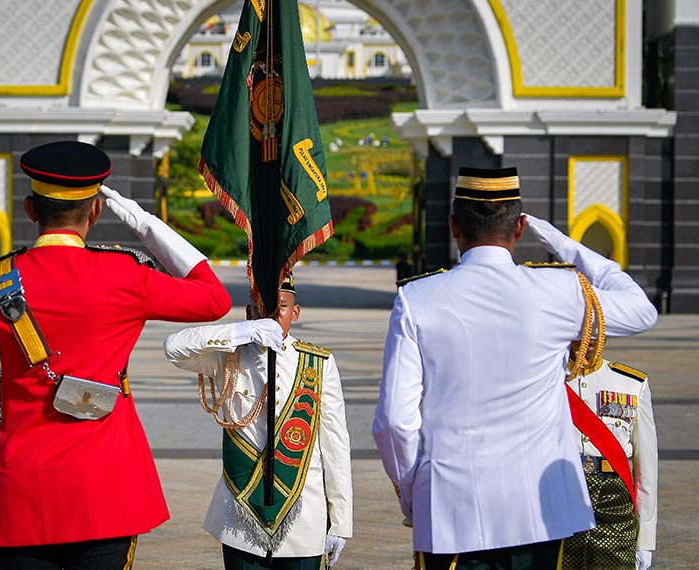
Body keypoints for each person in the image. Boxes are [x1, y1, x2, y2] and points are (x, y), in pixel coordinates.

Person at [0, 140, 231, 569]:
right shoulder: (125, 275)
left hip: (22, 488)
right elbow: (213, 298)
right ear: (95, 211)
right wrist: (148, 227)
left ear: (30, 209)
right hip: (108, 488)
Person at [372, 166, 658, 570]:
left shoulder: (417, 299)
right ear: (520, 227)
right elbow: (642, 310)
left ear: (454, 226)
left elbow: (394, 423)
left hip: (453, 512)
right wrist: (561, 242)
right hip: (542, 515)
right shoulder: (561, 291)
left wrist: (412, 491)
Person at [163, 273, 353, 569]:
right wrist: (242, 332)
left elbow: (336, 444)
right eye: (261, 310)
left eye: (282, 308)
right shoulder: (228, 356)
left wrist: (341, 520)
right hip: (242, 515)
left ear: (296, 312)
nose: (273, 317)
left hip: (303, 518)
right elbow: (174, 347)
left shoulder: (318, 363)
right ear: (249, 313)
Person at [563, 341, 658, 570]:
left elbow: (646, 468)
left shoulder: (631, 383)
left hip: (613, 505)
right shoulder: (545, 382)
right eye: (582, 334)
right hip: (560, 501)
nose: (588, 343)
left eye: (596, 335)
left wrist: (645, 539)